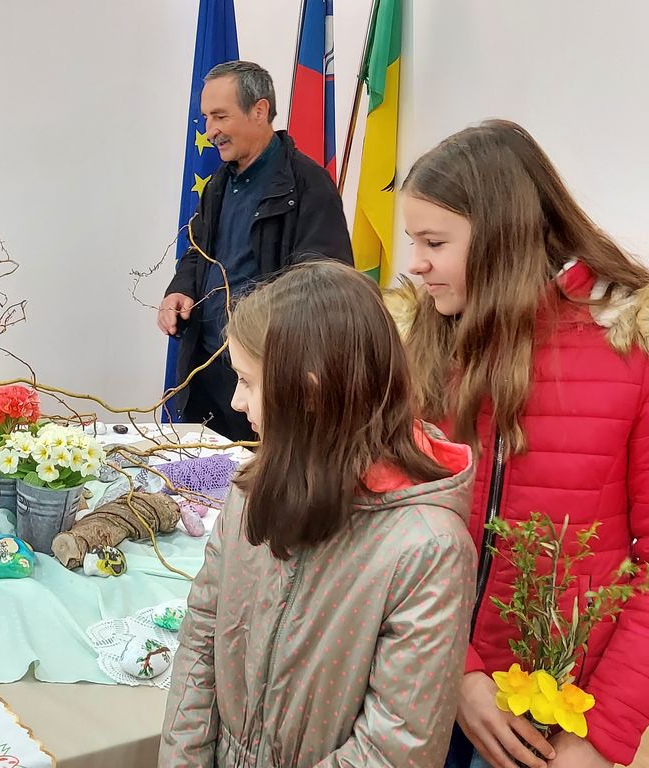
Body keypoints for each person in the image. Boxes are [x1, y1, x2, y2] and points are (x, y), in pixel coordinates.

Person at [397, 119, 649, 768]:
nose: (415, 263)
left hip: (558, 715)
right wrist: (459, 670)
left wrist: (599, 736)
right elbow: (395, 525)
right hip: (427, 675)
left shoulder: (630, 344)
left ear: (502, 237)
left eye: (433, 242)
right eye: (414, 241)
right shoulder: (429, 338)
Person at [160, 261, 476, 766]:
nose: (237, 402)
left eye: (247, 381)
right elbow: (202, 637)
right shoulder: (252, 489)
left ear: (307, 393)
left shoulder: (427, 549)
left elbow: (394, 750)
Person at [157, 60, 353, 442]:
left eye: (220, 116)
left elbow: (326, 286)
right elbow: (197, 250)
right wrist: (180, 288)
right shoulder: (218, 183)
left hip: (268, 385)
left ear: (259, 110)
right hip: (209, 374)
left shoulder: (309, 185)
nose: (210, 130)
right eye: (206, 117)